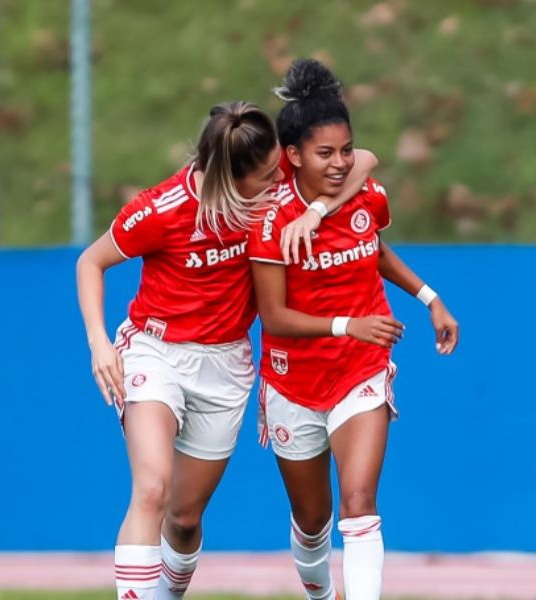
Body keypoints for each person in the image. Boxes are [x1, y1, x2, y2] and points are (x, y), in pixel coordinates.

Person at [76, 100, 378, 600]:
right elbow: (91, 261)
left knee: (185, 517)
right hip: (156, 351)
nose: (277, 184)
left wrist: (318, 209)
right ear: (229, 178)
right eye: (264, 178)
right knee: (151, 488)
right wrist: (99, 343)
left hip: (224, 366)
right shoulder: (163, 208)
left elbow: (363, 159)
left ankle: (167, 592)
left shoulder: (275, 176)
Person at [249, 59, 460, 600]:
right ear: (292, 156)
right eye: (325, 153)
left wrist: (429, 298)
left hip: (359, 372)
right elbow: (273, 318)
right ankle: (320, 592)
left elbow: (375, 251)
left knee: (360, 502)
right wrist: (348, 325)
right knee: (312, 523)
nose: (342, 163)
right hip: (293, 382)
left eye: (346, 150)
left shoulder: (365, 196)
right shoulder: (271, 218)